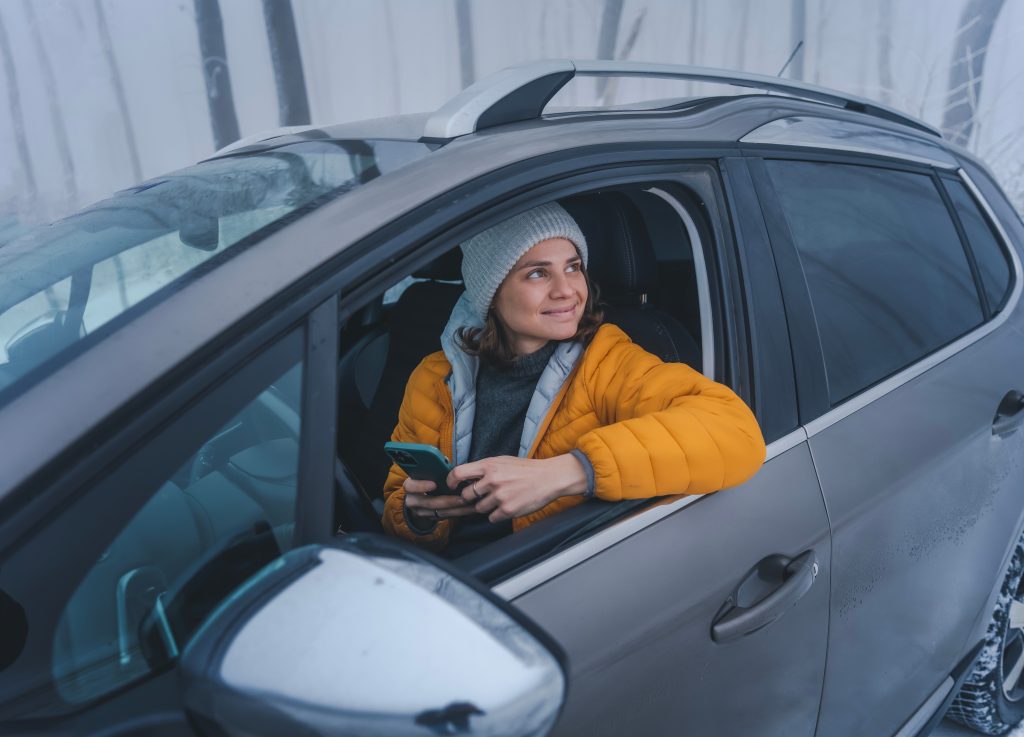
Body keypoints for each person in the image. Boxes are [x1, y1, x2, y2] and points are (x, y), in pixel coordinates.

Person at [381, 202, 765, 554]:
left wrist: (568, 472)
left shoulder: (606, 362)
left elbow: (736, 433)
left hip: (542, 571)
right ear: (491, 292)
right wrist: (418, 516)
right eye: (537, 273)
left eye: (573, 267)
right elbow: (397, 505)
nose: (566, 290)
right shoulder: (434, 376)